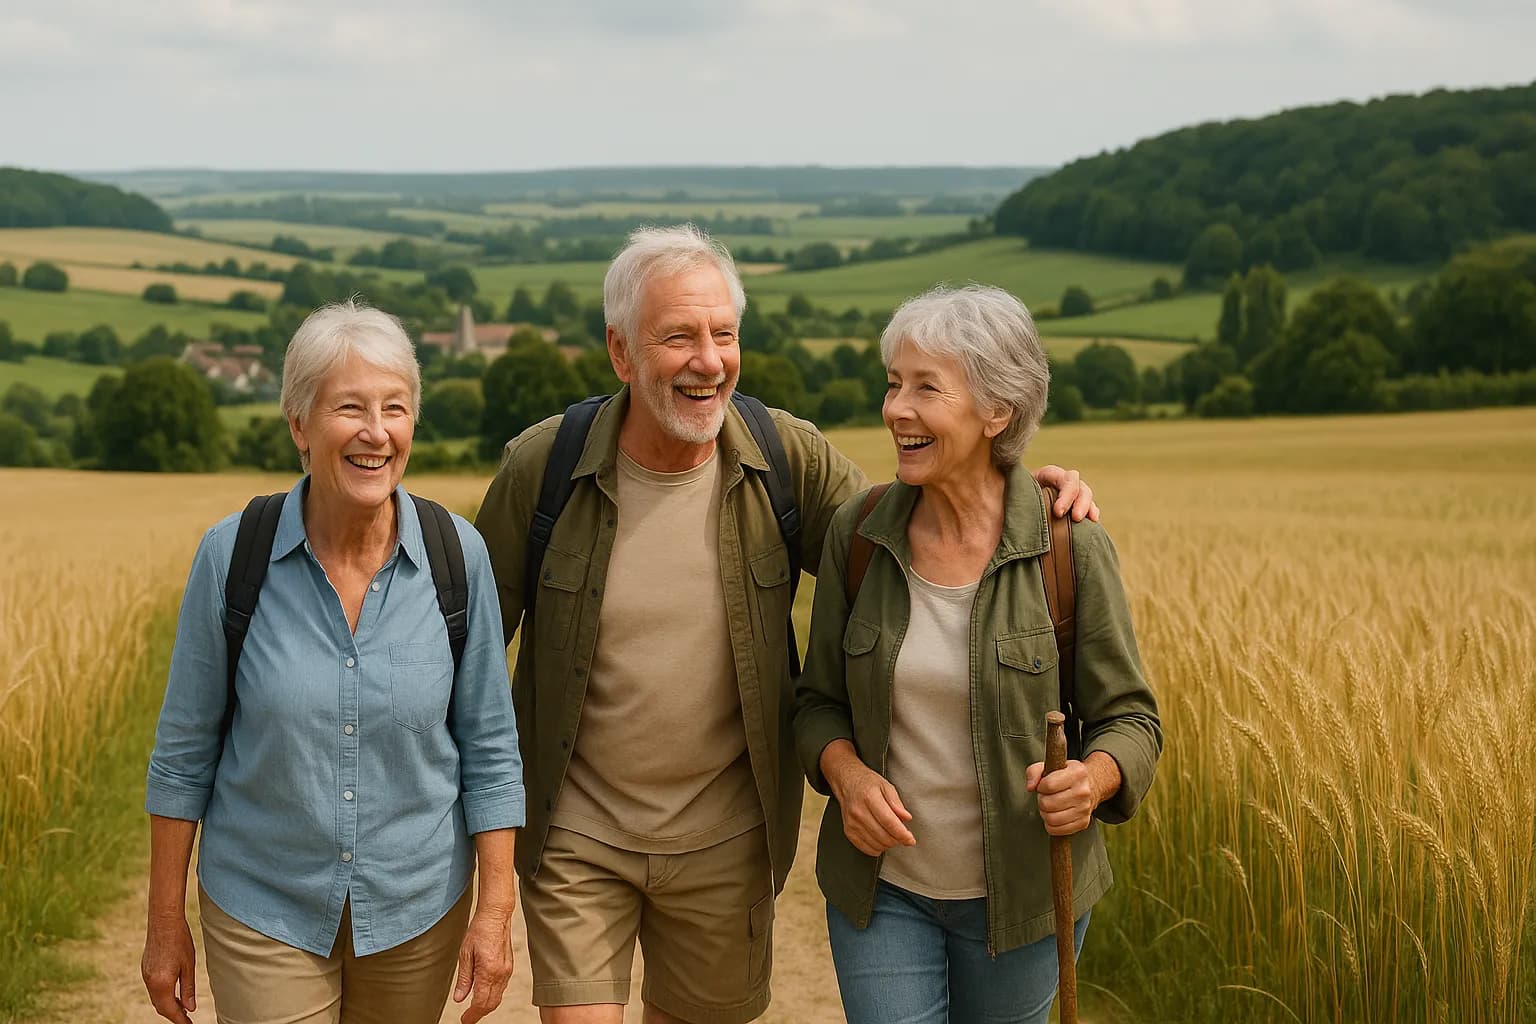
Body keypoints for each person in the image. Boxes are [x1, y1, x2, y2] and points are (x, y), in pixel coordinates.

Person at [472, 225, 1099, 1024]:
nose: (708, 360)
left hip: (726, 840)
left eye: (723, 334)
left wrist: (1018, 486)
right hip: (576, 833)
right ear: (621, 352)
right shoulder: (545, 468)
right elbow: (467, 661)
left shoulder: (786, 458)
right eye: (679, 337)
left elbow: (914, 534)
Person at [141, 301, 525, 1024]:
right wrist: (165, 923)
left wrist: (495, 912)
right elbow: (183, 754)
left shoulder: (458, 557)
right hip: (263, 903)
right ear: (299, 424)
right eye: (350, 408)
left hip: (418, 909)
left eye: (395, 408)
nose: (376, 432)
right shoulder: (232, 556)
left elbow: (491, 749)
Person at [794, 284, 1162, 1024]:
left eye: (926, 388)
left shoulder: (1069, 547)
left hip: (1026, 898)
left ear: (998, 410)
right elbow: (816, 704)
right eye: (893, 384)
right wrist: (847, 776)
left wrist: (1092, 780)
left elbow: (1132, 720)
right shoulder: (858, 534)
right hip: (882, 891)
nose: (896, 409)